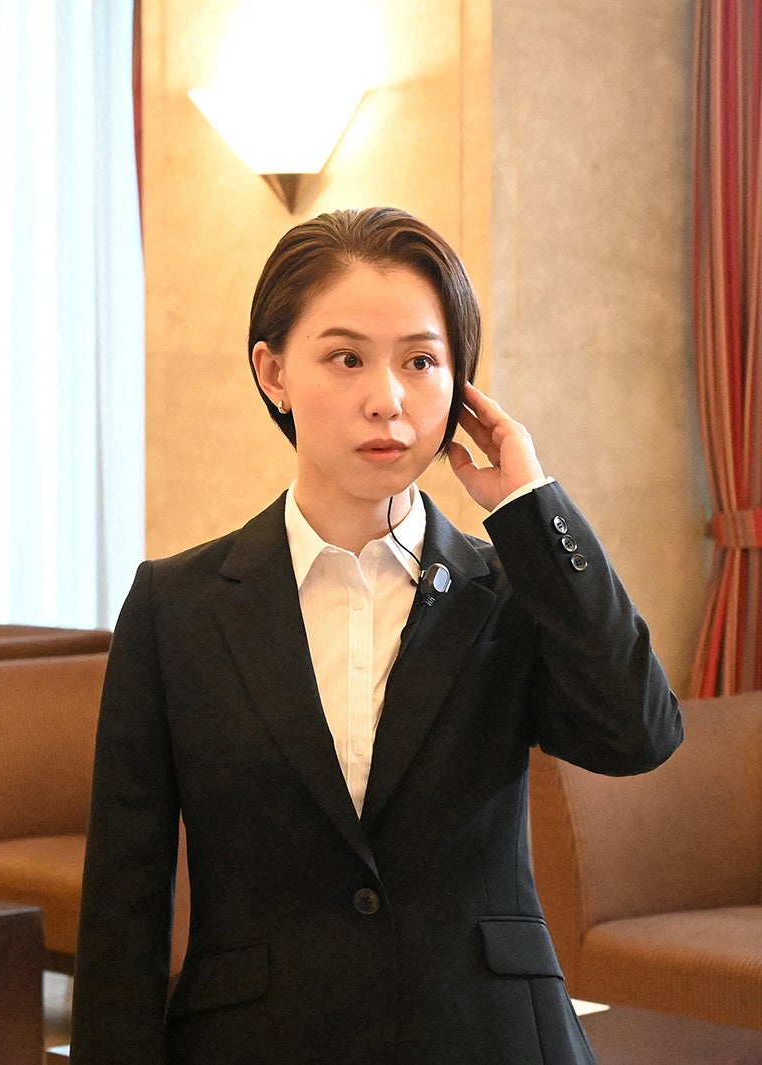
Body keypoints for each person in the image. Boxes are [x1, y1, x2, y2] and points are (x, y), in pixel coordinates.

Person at [70, 207, 682, 1065]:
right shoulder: (176, 607)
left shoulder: (512, 590)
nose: (388, 400)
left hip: (489, 1042)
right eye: (347, 357)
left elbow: (639, 733)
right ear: (273, 372)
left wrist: (532, 507)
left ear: (461, 386)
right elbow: (122, 908)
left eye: (421, 361)